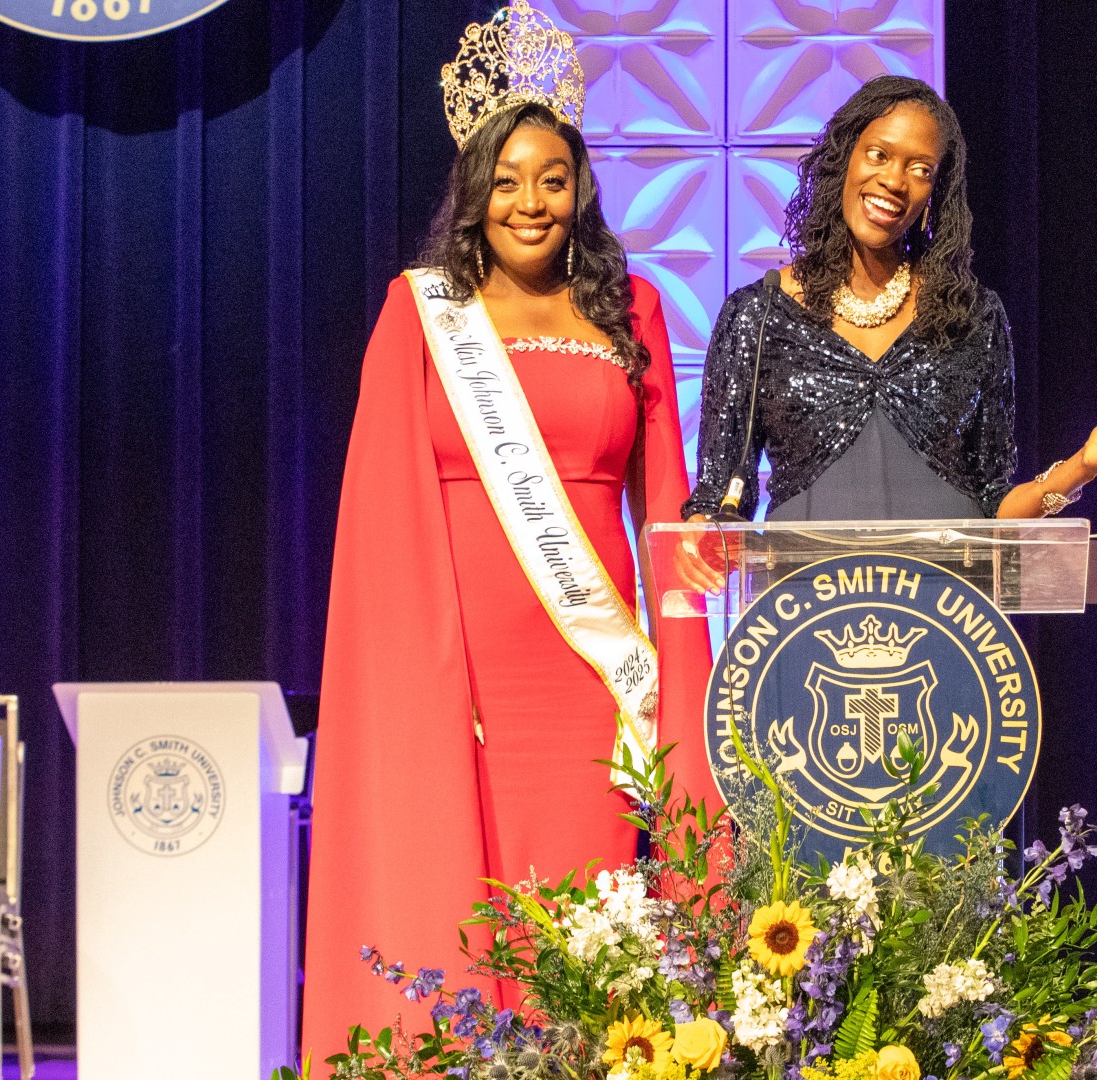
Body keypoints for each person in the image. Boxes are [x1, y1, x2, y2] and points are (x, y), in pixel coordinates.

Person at [301, 4, 710, 1054]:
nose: (531, 203)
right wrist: (426, 676)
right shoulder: (421, 309)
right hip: (463, 673)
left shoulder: (640, 313)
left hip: (593, 676)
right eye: (508, 180)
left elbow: (668, 520)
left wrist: (683, 672)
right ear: (475, 192)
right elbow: (381, 520)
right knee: (471, 914)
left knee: (590, 928)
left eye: (554, 179)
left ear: (581, 191)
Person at [682, 75, 1097, 538]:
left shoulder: (972, 319)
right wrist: (702, 535)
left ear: (935, 194)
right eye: (878, 155)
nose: (894, 181)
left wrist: (1084, 464)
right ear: (844, 160)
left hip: (946, 615)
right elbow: (718, 498)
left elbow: (995, 511)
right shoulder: (759, 314)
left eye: (920, 169)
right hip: (811, 613)